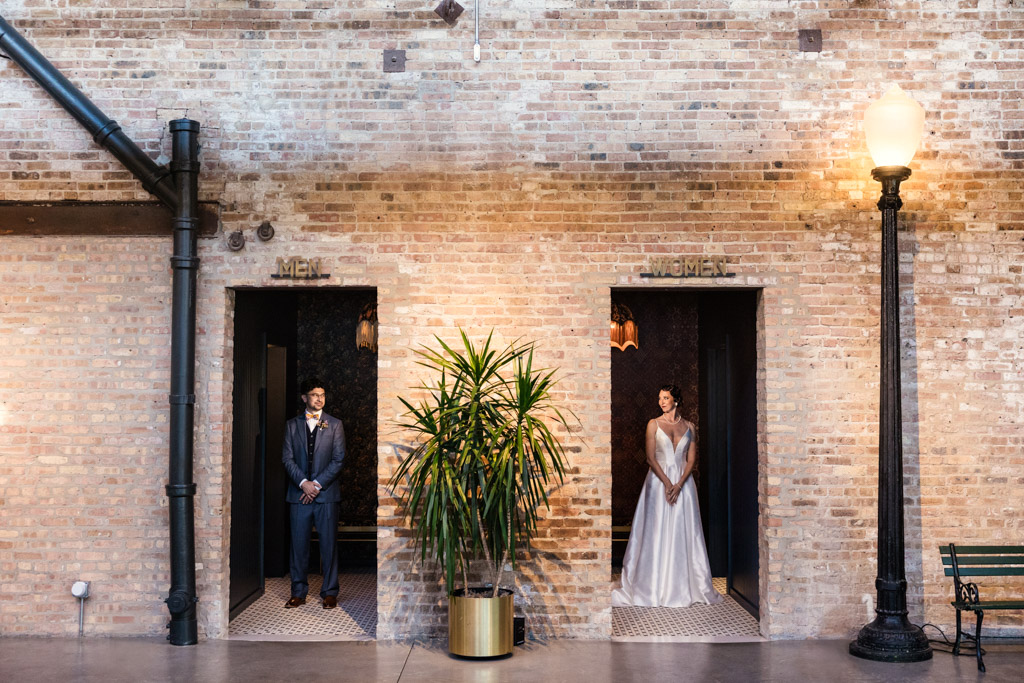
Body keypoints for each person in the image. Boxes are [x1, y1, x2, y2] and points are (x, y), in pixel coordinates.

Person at [611, 384, 722, 607]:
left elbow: (691, 460)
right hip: (658, 481)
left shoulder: (690, 426)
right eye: (660, 398)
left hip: (684, 485)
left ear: (676, 400)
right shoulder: (653, 424)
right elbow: (651, 458)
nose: (662, 402)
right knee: (656, 530)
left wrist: (679, 484)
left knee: (684, 530)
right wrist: (668, 483)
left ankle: (681, 586)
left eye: (666, 398)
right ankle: (651, 586)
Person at [281, 377, 346, 609]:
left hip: (326, 495)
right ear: (304, 398)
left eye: (322, 395)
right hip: (299, 495)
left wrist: (316, 484)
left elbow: (339, 460)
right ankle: (298, 591)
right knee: (298, 545)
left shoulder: (335, 424)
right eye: (315, 395)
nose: (320, 399)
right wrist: (303, 483)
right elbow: (287, 459)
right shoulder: (291, 425)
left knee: (328, 545)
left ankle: (330, 592)